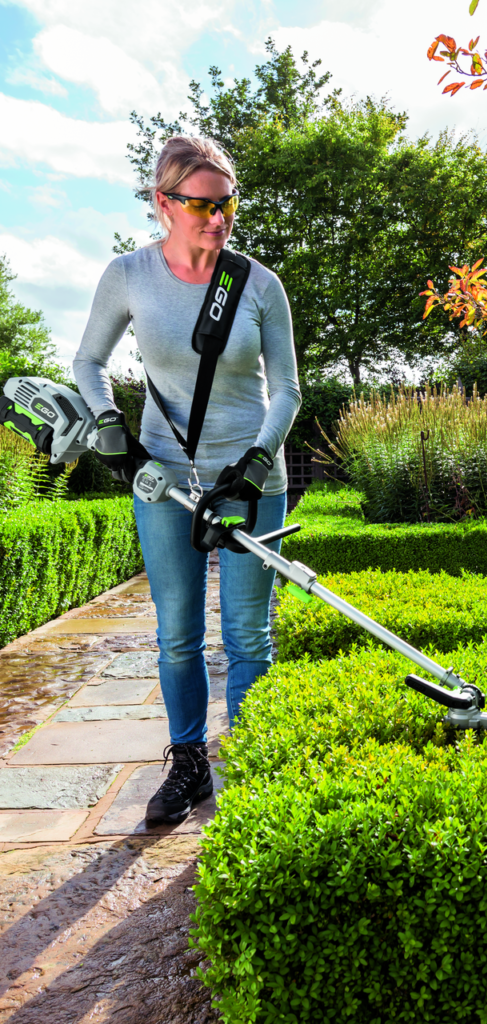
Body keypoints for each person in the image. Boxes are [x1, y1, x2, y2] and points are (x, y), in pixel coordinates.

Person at [73, 136, 301, 825]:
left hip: (251, 479)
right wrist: (110, 423)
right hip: (163, 480)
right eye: (201, 204)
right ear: (163, 203)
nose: (217, 217)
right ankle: (189, 764)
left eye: (226, 202)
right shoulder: (129, 276)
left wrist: (255, 466)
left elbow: (288, 391)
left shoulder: (257, 284)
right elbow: (88, 362)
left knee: (248, 635)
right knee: (176, 633)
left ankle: (255, 767)